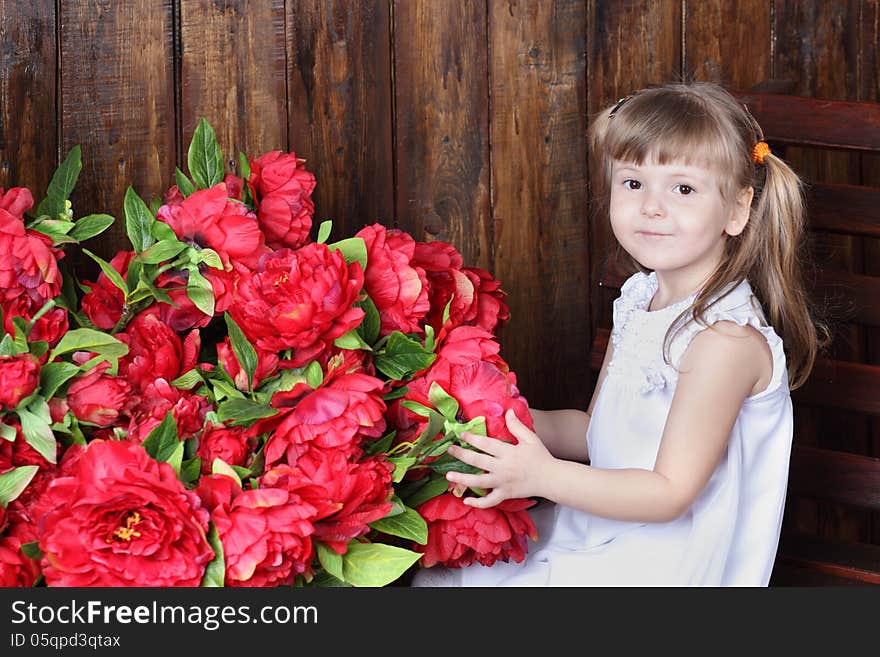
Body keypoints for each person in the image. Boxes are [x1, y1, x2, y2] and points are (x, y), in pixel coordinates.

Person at [412, 80, 827, 586]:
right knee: (444, 577)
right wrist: (503, 421)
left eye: (683, 189)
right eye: (633, 183)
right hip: (602, 523)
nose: (652, 206)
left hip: (666, 560)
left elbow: (670, 493)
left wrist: (542, 476)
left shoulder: (725, 341)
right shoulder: (639, 298)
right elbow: (596, 431)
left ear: (737, 210)